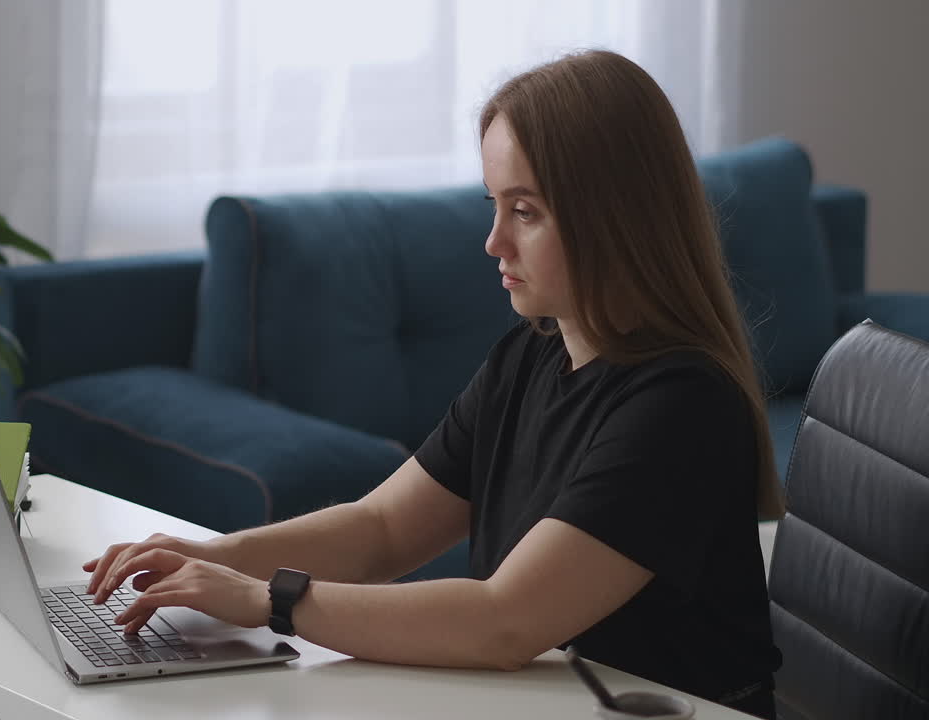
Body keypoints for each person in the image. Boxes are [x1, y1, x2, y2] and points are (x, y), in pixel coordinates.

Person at [82, 49, 784, 719]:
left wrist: (269, 599)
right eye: (494, 204)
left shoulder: (681, 408)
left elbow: (505, 621)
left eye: (525, 211)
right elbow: (383, 529)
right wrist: (213, 557)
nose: (494, 242)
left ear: (616, 218)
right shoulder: (530, 356)